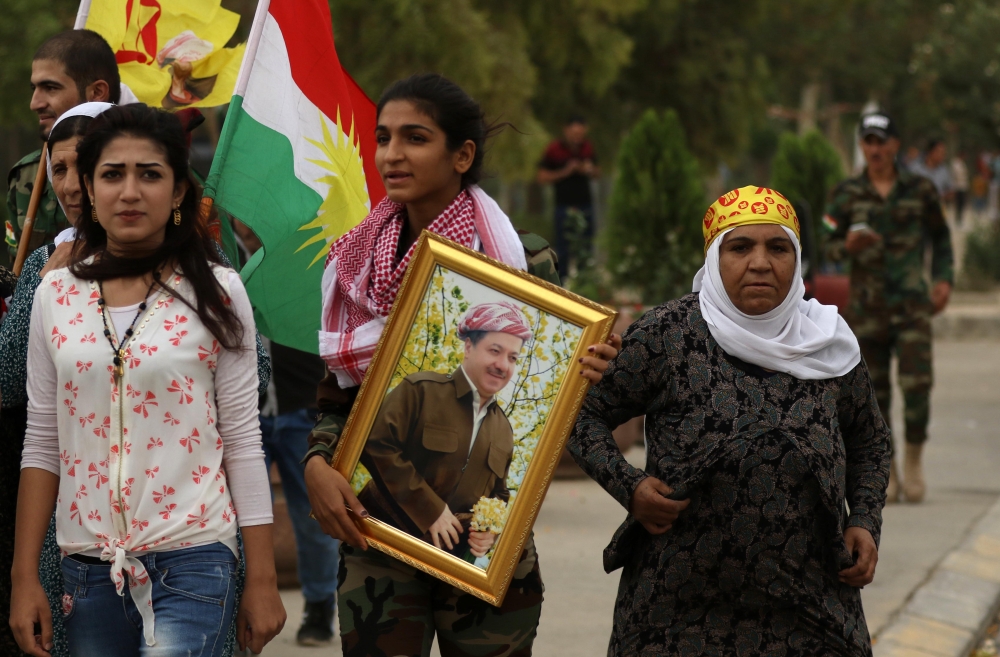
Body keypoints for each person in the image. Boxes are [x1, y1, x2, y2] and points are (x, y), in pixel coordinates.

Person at [303, 73, 619, 656]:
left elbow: (544, 401)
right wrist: (319, 463)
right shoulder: (355, 262)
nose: (392, 155)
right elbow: (338, 401)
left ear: (462, 155)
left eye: (415, 138)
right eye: (383, 137)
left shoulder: (522, 263)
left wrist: (591, 372)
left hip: (487, 542)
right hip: (379, 541)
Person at [10, 104, 286, 656]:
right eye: (112, 174)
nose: (130, 191)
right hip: (86, 570)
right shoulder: (54, 295)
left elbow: (243, 440)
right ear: (88, 187)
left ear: (179, 190)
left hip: (196, 560)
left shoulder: (218, 290)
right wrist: (24, 579)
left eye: (150, 174)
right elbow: (42, 444)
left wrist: (263, 578)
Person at [570, 186, 891, 656]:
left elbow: (870, 440)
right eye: (740, 247)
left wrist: (864, 518)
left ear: (797, 258)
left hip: (809, 605)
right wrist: (630, 488)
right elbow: (583, 414)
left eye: (777, 247)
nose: (760, 262)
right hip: (678, 609)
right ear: (714, 260)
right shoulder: (668, 334)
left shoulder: (829, 343)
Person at [825, 112, 953, 503]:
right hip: (867, 310)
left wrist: (943, 278)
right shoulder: (846, 193)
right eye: (868, 141)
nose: (875, 149)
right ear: (862, 146)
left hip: (913, 305)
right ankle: (890, 468)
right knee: (874, 398)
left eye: (882, 141)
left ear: (895, 144)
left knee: (917, 388)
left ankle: (914, 459)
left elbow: (941, 237)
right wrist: (847, 247)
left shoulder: (921, 189)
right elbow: (824, 246)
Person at [359, 302, 532, 560]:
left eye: (512, 358)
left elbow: (499, 495)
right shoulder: (420, 391)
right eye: (495, 351)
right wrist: (430, 510)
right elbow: (375, 445)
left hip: (452, 564)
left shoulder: (503, 430)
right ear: (469, 347)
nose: (503, 365)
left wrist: (490, 532)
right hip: (385, 552)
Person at [4, 29, 121, 268]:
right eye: (58, 169)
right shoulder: (26, 175)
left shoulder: (158, 167)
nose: (35, 103)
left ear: (97, 93)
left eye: (51, 88)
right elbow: (18, 272)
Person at [536, 116, 600, 274]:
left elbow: (598, 172)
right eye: (574, 133)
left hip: (585, 205)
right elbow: (542, 176)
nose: (577, 137)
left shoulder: (587, 148)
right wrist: (566, 171)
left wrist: (588, 170)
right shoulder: (554, 149)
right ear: (566, 130)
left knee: (586, 248)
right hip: (563, 206)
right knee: (563, 249)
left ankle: (584, 285)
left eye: (580, 133)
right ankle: (562, 285)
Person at [951, 152, 970, 226]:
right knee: (958, 203)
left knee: (962, 203)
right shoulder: (955, 163)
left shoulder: (963, 164)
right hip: (957, 187)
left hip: (963, 186)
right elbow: (955, 175)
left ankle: (960, 218)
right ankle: (957, 218)